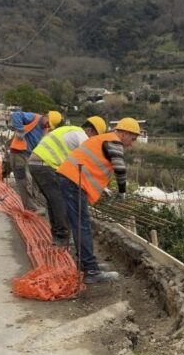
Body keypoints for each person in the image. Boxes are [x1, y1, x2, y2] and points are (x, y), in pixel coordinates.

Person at [57, 117, 141, 284]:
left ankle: (87, 264)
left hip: (70, 179)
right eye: (132, 138)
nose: (131, 143)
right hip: (73, 181)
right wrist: (122, 191)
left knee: (80, 224)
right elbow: (120, 167)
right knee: (83, 225)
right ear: (124, 133)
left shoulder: (103, 139)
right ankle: (91, 271)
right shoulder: (113, 141)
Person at [28, 116, 107, 246]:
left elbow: (77, 165)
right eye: (95, 136)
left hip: (36, 164)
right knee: (61, 202)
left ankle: (57, 236)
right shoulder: (82, 137)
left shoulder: (69, 130)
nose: (94, 141)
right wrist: (100, 186)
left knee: (53, 201)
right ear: (90, 130)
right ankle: (61, 238)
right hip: (46, 165)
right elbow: (89, 163)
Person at [9, 109, 62, 210]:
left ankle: (31, 205)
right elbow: (16, 115)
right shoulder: (34, 117)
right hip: (18, 153)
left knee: (32, 181)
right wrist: (20, 130)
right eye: (47, 123)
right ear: (46, 116)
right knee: (23, 180)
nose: (47, 126)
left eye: (49, 126)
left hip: (29, 156)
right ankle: (29, 207)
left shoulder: (44, 129)